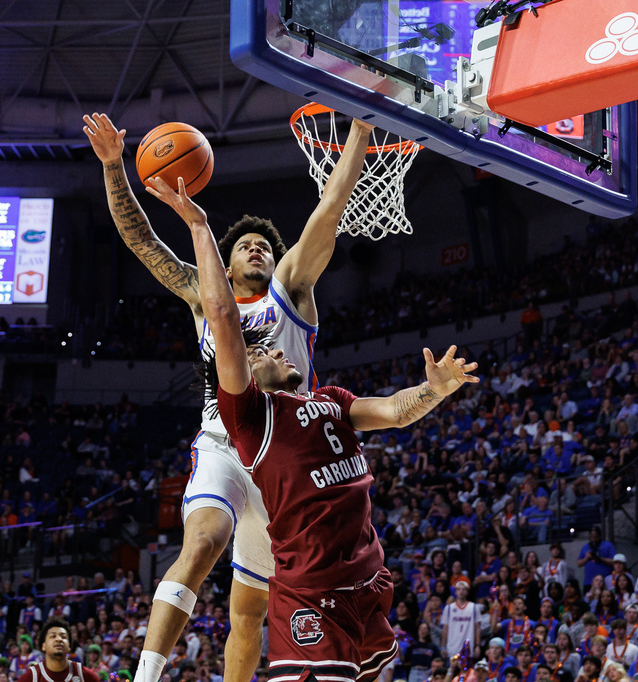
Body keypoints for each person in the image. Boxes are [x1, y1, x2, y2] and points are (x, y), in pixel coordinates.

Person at [83, 110, 373, 682]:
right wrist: (116, 167)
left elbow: (328, 212)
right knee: (203, 542)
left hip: (283, 459)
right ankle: (145, 676)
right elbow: (141, 240)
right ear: (227, 258)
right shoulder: (201, 292)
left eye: (265, 244)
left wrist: (360, 135)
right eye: (245, 245)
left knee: (249, 613)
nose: (257, 250)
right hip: (222, 441)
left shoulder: (291, 290)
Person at [163, 173, 478, 682]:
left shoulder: (332, 399)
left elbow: (397, 411)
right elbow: (221, 316)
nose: (275, 349)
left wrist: (435, 392)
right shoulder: (251, 421)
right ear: (247, 375)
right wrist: (199, 227)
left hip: (369, 585)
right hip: (312, 595)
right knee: (235, 598)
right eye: (261, 351)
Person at [16, 618, 100, 682]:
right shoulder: (30, 677)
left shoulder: (85, 676)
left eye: (63, 637)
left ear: (69, 646)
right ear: (43, 646)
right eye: (53, 636)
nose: (59, 639)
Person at [442, 581, 483, 659]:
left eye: (464, 589)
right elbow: (445, 629)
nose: (461, 591)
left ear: (467, 592)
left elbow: (477, 629)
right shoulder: (449, 608)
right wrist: (443, 646)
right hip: (452, 647)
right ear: (455, 592)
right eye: (459, 589)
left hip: (468, 648)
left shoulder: (474, 607)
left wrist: (478, 646)